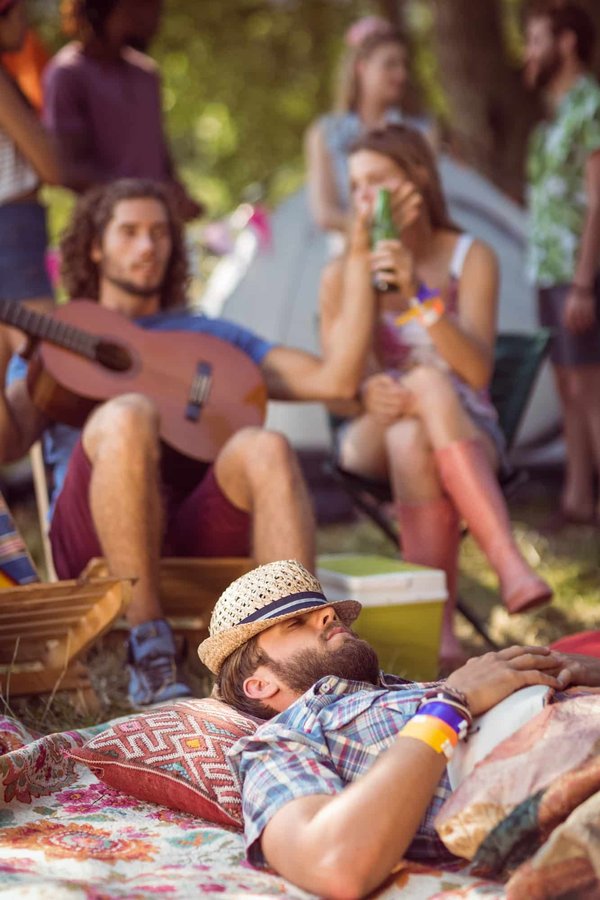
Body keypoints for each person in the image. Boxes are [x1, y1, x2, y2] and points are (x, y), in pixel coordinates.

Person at [0, 177, 378, 707]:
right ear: (94, 245)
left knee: (265, 445)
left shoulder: (207, 336)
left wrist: (359, 249)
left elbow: (336, 382)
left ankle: (302, 654)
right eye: (128, 232)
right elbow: (7, 444)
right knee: (130, 413)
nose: (147, 245)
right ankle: (151, 649)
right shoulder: (57, 334)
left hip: (194, 526)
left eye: (159, 233)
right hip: (93, 537)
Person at [198, 558, 600, 899]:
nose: (328, 615)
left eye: (325, 610)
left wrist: (580, 670)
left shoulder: (414, 689)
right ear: (260, 684)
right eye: (295, 623)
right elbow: (331, 861)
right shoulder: (282, 742)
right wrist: (449, 706)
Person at [320, 123, 552, 669]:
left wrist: (416, 294)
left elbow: (473, 372)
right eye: (355, 186)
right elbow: (336, 393)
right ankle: (508, 562)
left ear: (417, 181)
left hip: (465, 426)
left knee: (414, 429)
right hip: (367, 431)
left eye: (378, 181)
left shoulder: (471, 257)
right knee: (414, 396)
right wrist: (364, 390)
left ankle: (439, 635)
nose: (365, 199)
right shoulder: (340, 273)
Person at [523, 1, 600, 525]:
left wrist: (583, 284)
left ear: (567, 41)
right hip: (546, 268)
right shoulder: (554, 114)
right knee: (568, 386)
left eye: (535, 39)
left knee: (591, 389)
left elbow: (598, 200)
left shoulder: (591, 104)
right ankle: (577, 498)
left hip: (578, 274)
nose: (528, 53)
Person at [43, 0, 201, 220]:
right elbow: (70, 171)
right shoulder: (68, 75)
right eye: (142, 7)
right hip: (109, 227)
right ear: (103, 9)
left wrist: (179, 196)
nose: (153, 21)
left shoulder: (146, 75)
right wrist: (142, 195)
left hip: (157, 225)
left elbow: (161, 157)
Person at [305, 16, 431, 238]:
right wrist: (372, 235)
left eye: (404, 65)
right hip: (350, 250)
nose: (401, 74)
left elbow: (427, 199)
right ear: (361, 68)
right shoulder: (325, 133)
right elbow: (324, 212)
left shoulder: (421, 129)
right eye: (390, 64)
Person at [0, 0, 61, 370]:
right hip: (12, 229)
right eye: (20, 14)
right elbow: (50, 166)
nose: (27, 25)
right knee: (45, 363)